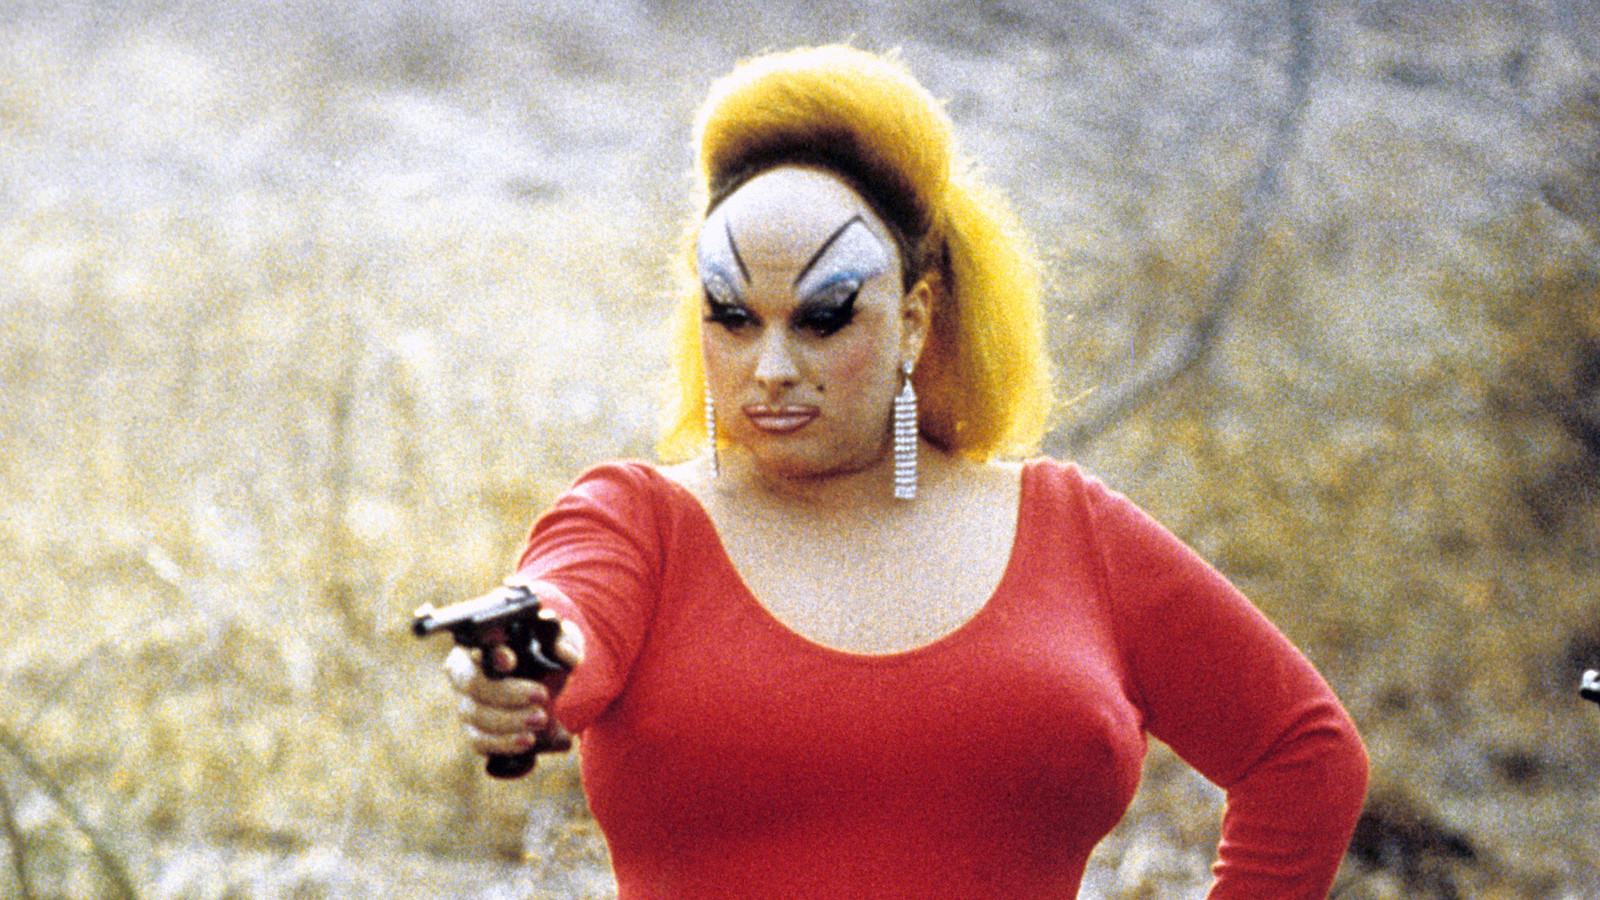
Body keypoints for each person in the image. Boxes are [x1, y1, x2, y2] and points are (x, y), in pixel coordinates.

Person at [443, 44, 1368, 898]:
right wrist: (523, 670)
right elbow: (564, 613)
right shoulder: (635, 520)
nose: (771, 367)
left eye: (824, 318)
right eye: (733, 317)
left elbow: (1304, 752)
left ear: (915, 320)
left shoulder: (1071, 530)